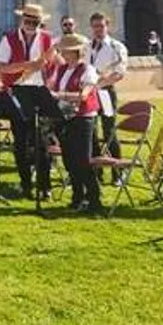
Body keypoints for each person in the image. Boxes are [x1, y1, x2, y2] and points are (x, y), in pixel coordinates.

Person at [0, 3, 56, 200]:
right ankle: (25, 185)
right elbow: (2, 68)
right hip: (17, 94)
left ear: (40, 23)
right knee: (20, 144)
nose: (31, 25)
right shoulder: (9, 38)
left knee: (42, 145)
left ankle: (45, 187)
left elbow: (54, 67)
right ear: (22, 20)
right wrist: (30, 65)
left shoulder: (47, 40)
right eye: (28, 21)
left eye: (35, 22)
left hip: (40, 94)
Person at [50, 33, 102, 214]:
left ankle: (94, 198)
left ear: (76, 52)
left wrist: (60, 95)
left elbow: (84, 95)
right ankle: (77, 196)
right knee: (69, 160)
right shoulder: (63, 69)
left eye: (67, 51)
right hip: (65, 117)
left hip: (83, 118)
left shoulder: (88, 70)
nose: (63, 53)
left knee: (83, 160)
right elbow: (55, 88)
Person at [88, 12, 128, 184]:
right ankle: (96, 172)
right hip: (89, 92)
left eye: (101, 26)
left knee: (109, 131)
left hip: (105, 93)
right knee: (91, 131)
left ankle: (118, 172)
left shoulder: (116, 46)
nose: (98, 30)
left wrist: (100, 84)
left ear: (107, 26)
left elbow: (120, 73)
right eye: (95, 26)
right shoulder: (87, 46)